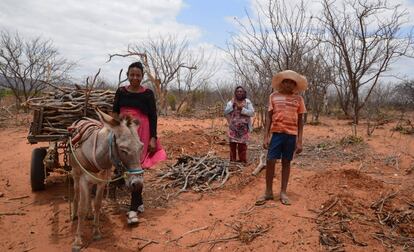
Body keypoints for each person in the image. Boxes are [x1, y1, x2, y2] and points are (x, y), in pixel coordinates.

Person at [112, 61, 167, 224]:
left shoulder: (148, 93)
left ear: (142, 77)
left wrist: (153, 137)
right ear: (127, 75)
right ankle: (139, 202)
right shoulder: (121, 91)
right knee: (124, 166)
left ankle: (133, 209)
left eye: (138, 75)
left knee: (136, 169)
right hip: (123, 132)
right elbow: (115, 112)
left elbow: (153, 116)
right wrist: (114, 132)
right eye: (132, 74)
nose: (134, 77)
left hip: (141, 132)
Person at [256, 70, 307, 206]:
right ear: (281, 83)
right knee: (270, 160)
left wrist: (300, 141)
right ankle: (268, 192)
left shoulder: (299, 99)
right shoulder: (273, 96)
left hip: (291, 135)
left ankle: (283, 192)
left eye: (292, 82)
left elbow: (300, 121)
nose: (289, 84)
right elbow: (269, 116)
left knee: (286, 162)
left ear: (295, 85)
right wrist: (266, 136)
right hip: (276, 134)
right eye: (286, 81)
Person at [224, 86, 255, 163]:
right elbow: (226, 112)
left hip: (244, 129)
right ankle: (232, 162)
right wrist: (233, 106)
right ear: (235, 93)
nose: (239, 93)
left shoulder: (247, 102)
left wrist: (242, 109)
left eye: (241, 91)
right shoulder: (231, 102)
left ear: (244, 93)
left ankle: (242, 161)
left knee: (242, 146)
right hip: (233, 128)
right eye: (238, 91)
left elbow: (252, 113)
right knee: (232, 145)